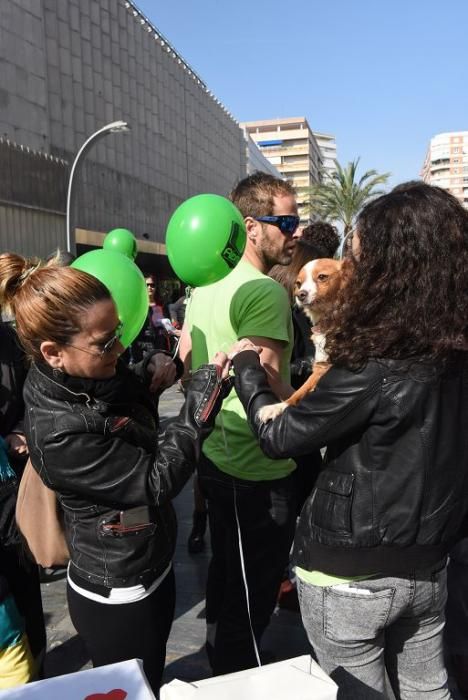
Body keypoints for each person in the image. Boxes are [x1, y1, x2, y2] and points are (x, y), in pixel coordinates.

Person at [226, 182, 468, 698]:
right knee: (429, 689)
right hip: (430, 564)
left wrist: (246, 368)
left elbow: (280, 434)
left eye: (357, 256)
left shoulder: (372, 359)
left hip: (351, 574)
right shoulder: (452, 346)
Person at [0, 254, 230, 693]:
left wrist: (149, 378)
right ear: (53, 352)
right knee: (136, 688)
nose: (120, 351)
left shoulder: (78, 376)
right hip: (119, 587)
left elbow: (119, 409)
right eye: (106, 344)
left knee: (152, 680)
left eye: (119, 334)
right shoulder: (59, 431)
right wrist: (198, 409)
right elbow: (155, 480)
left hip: (148, 563)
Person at [180, 171, 299, 675]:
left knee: (227, 573)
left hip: (214, 458)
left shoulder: (203, 286)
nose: (294, 231)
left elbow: (188, 364)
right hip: (260, 468)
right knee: (252, 591)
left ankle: (220, 658)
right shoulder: (265, 291)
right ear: (252, 226)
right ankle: (238, 673)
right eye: (286, 221)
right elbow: (270, 386)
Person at [0, 304, 46, 683]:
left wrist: (21, 431)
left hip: (13, 496)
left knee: (24, 587)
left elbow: (35, 401)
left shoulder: (11, 343)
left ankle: (38, 670)